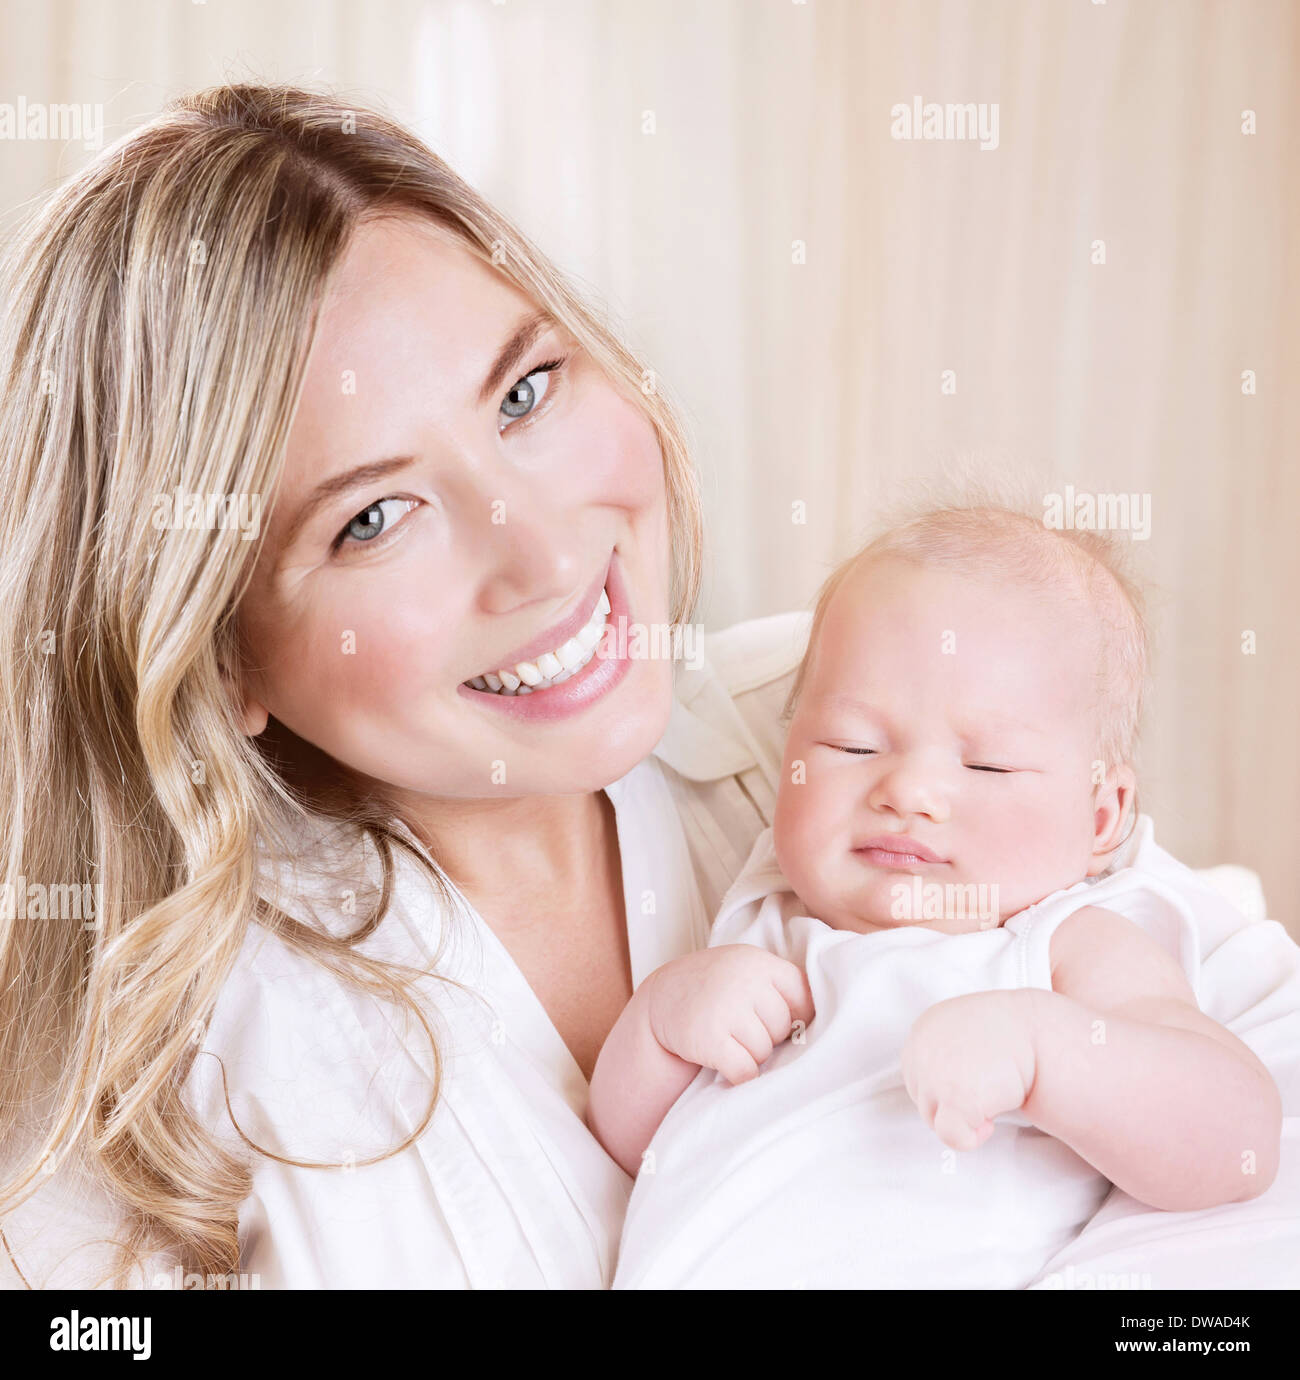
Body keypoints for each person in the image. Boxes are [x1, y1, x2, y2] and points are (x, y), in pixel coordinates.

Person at [0, 81, 805, 1289]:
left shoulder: (844, 727)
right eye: (375, 517)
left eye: (525, 393)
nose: (541, 552)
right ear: (219, 657)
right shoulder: (148, 1103)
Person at [593, 507, 1285, 1289]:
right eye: (852, 745)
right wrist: (660, 1022)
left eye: (987, 766)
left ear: (1099, 818)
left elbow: (1236, 1138)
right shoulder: (764, 921)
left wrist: (1042, 1054)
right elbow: (625, 1151)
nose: (909, 791)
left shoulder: (1066, 944)